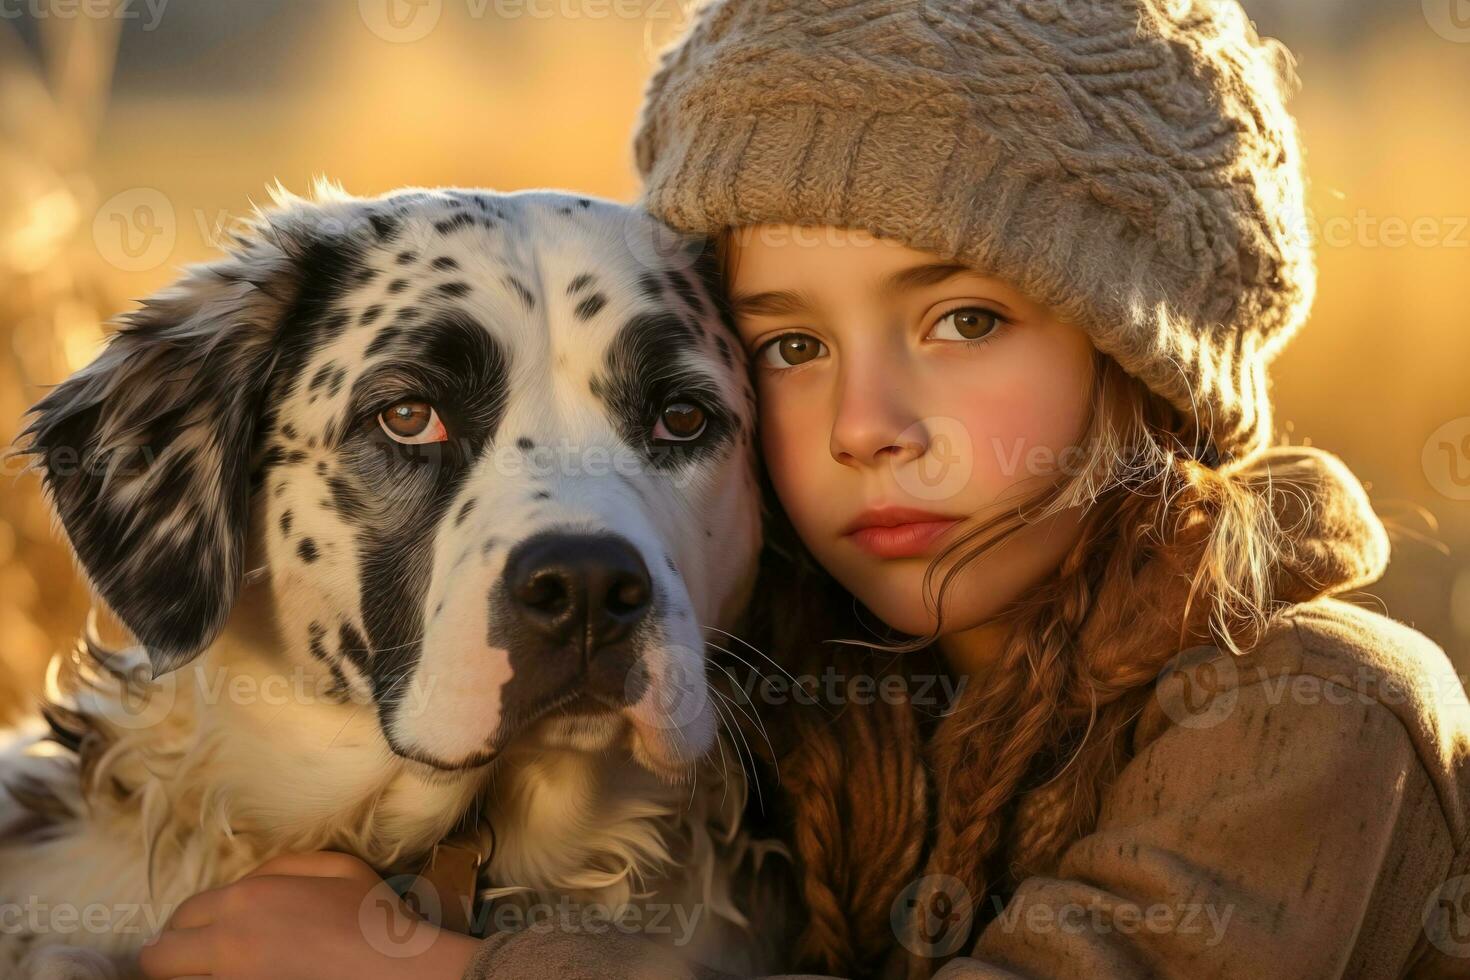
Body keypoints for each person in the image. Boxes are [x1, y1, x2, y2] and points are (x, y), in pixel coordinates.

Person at [137, 1, 1470, 978]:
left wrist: (423, 973)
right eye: (787, 346)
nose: (867, 426)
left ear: (1146, 357)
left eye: (961, 322)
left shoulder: (1318, 710)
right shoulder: (796, 671)